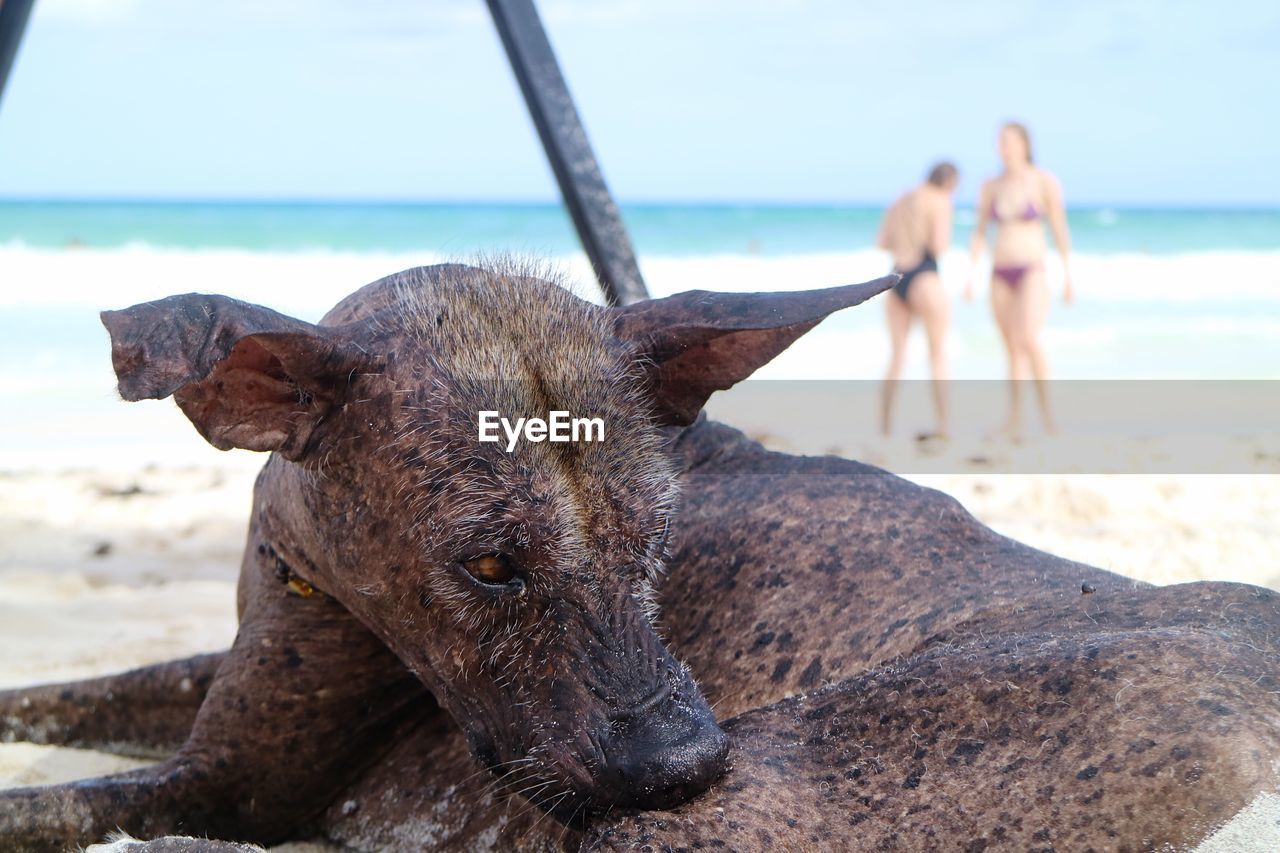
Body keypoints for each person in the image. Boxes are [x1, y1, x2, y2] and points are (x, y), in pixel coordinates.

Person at [968, 122, 1074, 438]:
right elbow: (979, 232)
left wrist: (1069, 275)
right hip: (999, 271)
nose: (1003, 146)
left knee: (1028, 338)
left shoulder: (1044, 181)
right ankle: (1014, 420)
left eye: (1009, 141)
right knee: (1011, 348)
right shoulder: (991, 185)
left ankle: (1049, 418)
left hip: (1032, 269)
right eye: (1000, 141)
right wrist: (971, 275)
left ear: (1025, 144)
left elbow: (1059, 227)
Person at [877, 161, 959, 439]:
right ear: (950, 182)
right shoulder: (940, 199)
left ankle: (885, 428)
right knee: (937, 354)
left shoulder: (901, 197)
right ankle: (944, 425)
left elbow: (882, 240)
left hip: (896, 275)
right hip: (924, 274)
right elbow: (938, 245)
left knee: (897, 356)